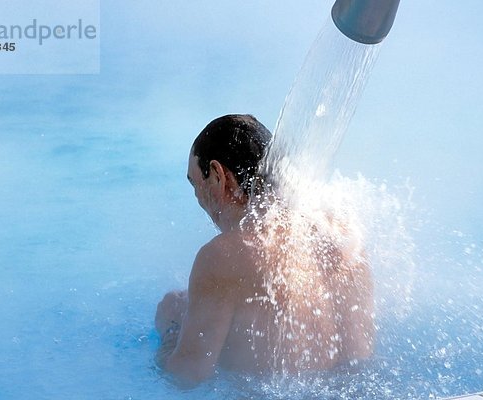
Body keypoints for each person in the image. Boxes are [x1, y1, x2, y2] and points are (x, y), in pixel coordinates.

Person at [154, 114, 374, 385]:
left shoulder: (224, 255)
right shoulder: (341, 232)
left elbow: (187, 375)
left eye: (195, 184)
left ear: (218, 176)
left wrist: (173, 330)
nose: (198, 198)